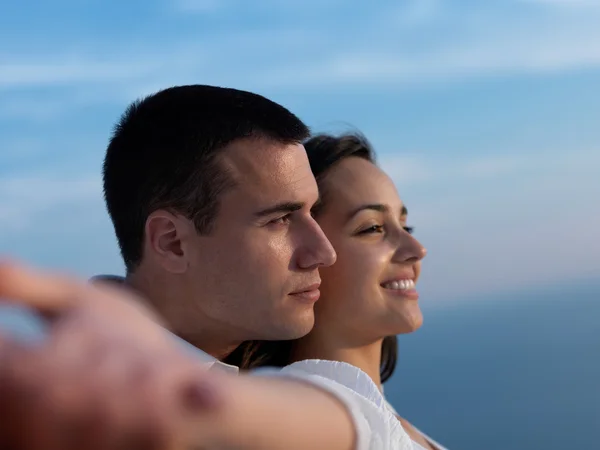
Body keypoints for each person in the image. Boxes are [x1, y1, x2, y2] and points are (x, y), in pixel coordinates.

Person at [0, 85, 413, 449]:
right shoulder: (63, 397)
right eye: (280, 219)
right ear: (172, 242)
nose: (323, 252)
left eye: (311, 212)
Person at [233, 133, 448, 449]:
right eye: (372, 228)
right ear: (310, 253)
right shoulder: (312, 418)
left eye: (406, 226)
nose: (416, 249)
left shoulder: (375, 414)